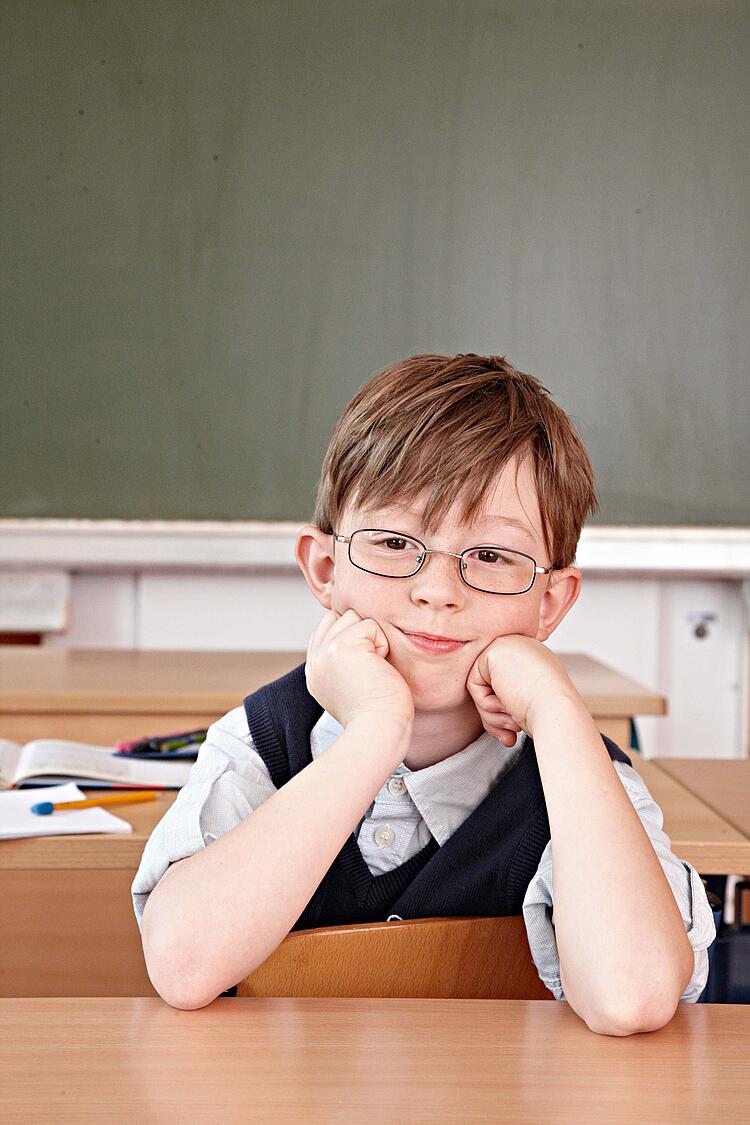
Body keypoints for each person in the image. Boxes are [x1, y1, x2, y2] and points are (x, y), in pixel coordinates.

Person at [132, 352, 715, 1033]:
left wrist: (558, 710)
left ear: (551, 603)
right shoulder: (263, 740)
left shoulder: (576, 774)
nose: (437, 590)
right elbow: (183, 965)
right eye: (391, 541)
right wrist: (377, 732)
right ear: (324, 567)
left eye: (492, 556)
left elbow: (631, 996)